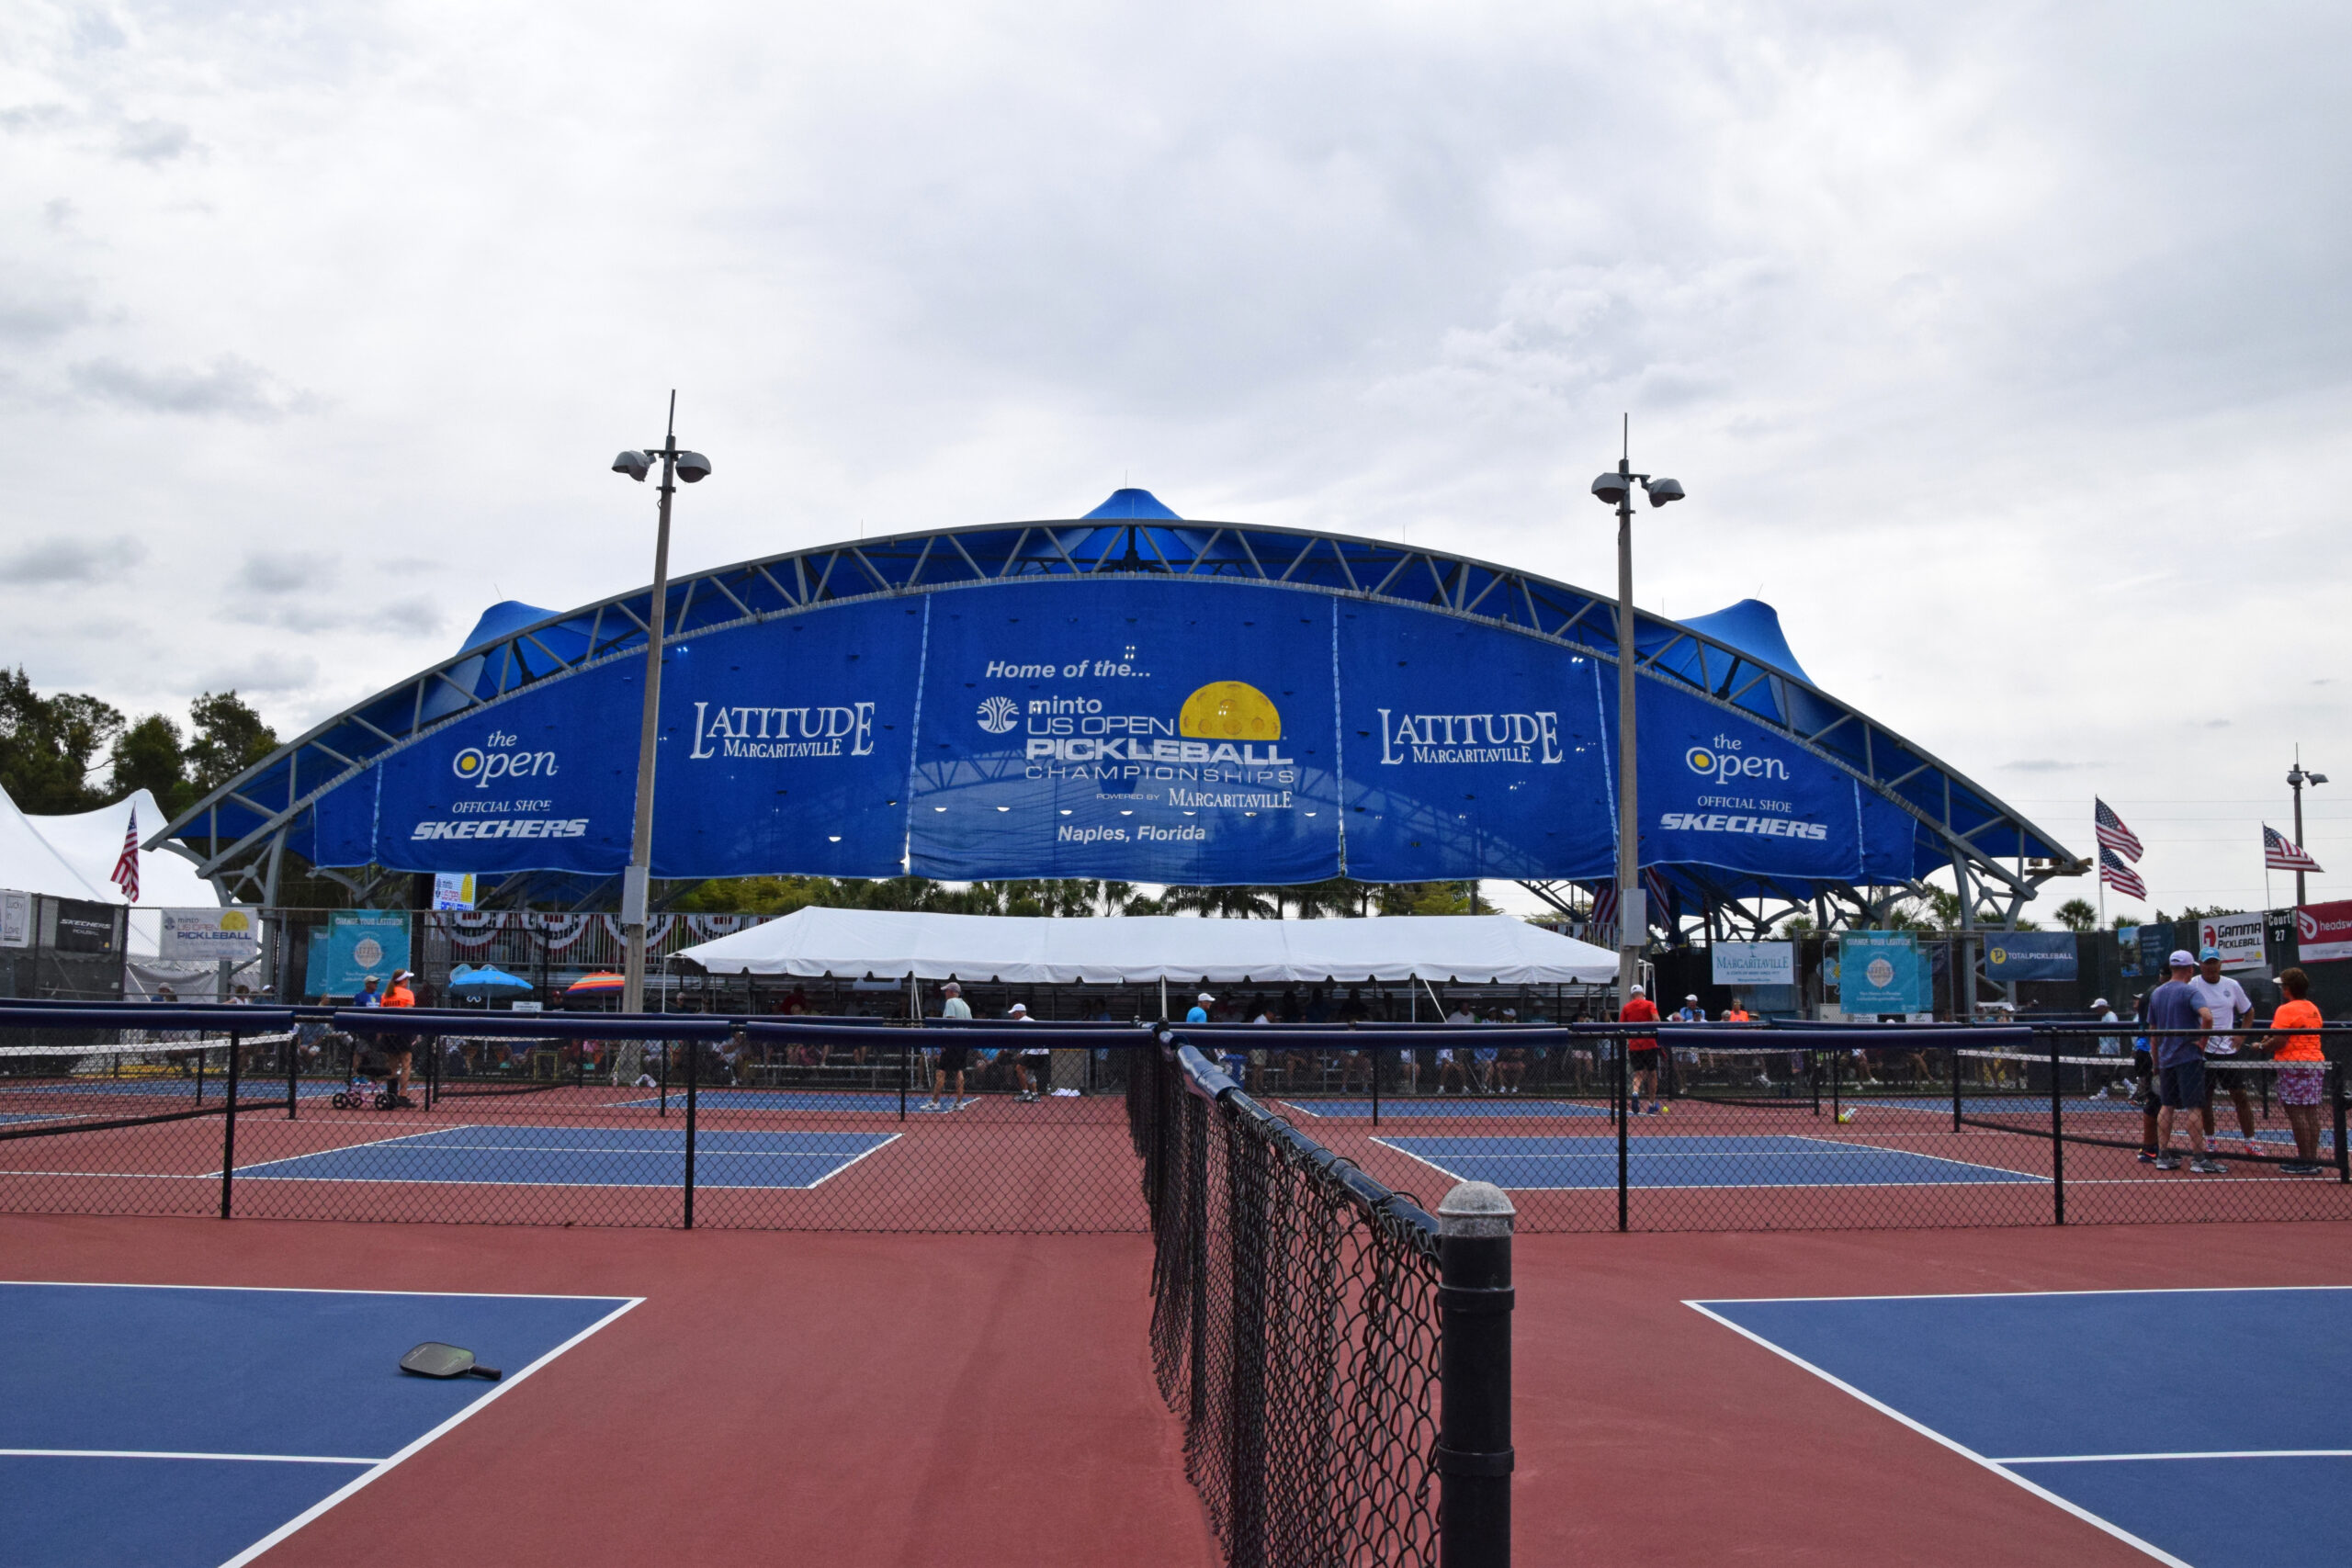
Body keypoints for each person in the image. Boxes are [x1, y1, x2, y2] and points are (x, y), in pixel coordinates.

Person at [2148, 950, 2223, 1173]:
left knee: (2167, 1105)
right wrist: (2202, 1042)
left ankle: (2162, 1154)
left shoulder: (2157, 994)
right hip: (2188, 1058)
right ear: (2190, 969)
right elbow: (2207, 1017)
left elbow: (2153, 1032)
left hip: (2166, 1058)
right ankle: (2199, 1157)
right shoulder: (2190, 991)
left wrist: (2156, 1062)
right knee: (2194, 1106)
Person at [2186, 947, 2262, 1147]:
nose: (2211, 967)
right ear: (2200, 965)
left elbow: (2248, 1012)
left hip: (2227, 1052)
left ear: (2220, 964)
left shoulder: (2232, 985)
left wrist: (2241, 1035)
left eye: (2214, 962)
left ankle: (2250, 1141)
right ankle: (2210, 1140)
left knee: (2240, 1096)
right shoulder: (2193, 985)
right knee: (2206, 1099)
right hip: (2204, 1051)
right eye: (2207, 963)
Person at [2258, 967, 2329, 1174]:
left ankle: (2306, 1159)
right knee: (2310, 1112)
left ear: (2287, 988)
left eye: (2283, 986)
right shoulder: (2312, 1007)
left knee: (2296, 1111)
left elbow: (2279, 1040)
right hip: (2314, 1063)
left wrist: (2262, 1046)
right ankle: (2311, 1159)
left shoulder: (2285, 1009)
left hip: (2293, 1064)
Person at [921, 980, 972, 1111]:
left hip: (952, 1040)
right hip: (964, 1040)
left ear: (951, 992)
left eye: (946, 991)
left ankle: (935, 1102)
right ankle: (959, 1103)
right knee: (959, 1071)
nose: (945, 994)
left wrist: (944, 1041)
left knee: (941, 1071)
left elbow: (949, 1021)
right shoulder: (966, 1005)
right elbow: (970, 1024)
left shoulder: (950, 1002)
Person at [1622, 983, 1663, 1115]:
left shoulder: (1627, 1007)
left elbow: (1621, 1025)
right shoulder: (1649, 1004)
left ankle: (1635, 1092)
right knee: (1652, 1074)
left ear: (1631, 995)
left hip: (1634, 1044)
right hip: (1649, 1043)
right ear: (1642, 994)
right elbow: (1656, 1019)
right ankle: (1651, 1103)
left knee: (1638, 1073)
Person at [379, 969, 419, 1107]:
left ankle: (391, 1095)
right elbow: (408, 1014)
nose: (408, 982)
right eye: (407, 979)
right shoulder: (408, 994)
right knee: (406, 1064)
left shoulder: (386, 995)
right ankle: (402, 1095)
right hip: (402, 1033)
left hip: (389, 1033)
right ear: (403, 981)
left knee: (392, 1066)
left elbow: (383, 1015)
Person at [1010, 1002, 1049, 1101]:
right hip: (1042, 1051)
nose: (1012, 1016)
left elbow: (1029, 1040)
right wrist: (1024, 1051)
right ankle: (1035, 1095)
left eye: (1014, 1013)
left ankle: (1026, 1093)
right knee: (1029, 1072)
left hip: (1035, 1050)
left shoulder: (1023, 1021)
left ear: (1018, 1013)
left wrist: (1023, 1053)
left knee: (1019, 1068)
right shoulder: (1030, 1020)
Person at [2088, 998, 2126, 1096]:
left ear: (2103, 1007)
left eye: (2098, 1008)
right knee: (2107, 1071)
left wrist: (2109, 1048)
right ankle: (2104, 1092)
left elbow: (2114, 1031)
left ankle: (2131, 1087)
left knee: (2110, 1071)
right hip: (2105, 1049)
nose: (2097, 1011)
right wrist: (2101, 1047)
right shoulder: (2104, 1017)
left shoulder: (2111, 1016)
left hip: (2111, 1050)